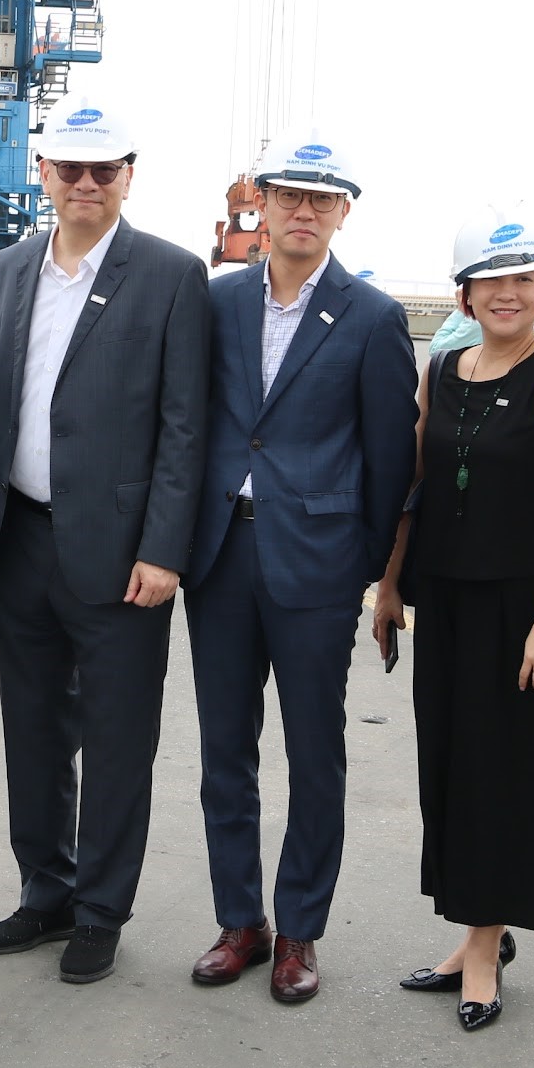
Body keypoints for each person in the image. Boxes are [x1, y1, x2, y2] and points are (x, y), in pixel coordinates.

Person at [0, 98, 210, 985]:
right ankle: (47, 889)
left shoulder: (171, 274)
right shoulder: (14, 264)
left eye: (101, 169)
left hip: (121, 554)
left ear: (127, 176)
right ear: (44, 174)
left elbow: (185, 425)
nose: (84, 183)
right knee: (31, 731)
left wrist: (165, 547)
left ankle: (102, 909)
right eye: (68, 168)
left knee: (117, 738)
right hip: (22, 538)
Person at [182, 133, 414, 1005]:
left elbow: (390, 460)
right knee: (223, 752)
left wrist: (359, 561)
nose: (304, 212)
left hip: (316, 563)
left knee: (315, 754)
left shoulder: (372, 317)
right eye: (289, 197)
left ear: (344, 211)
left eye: (322, 200)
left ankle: (300, 930)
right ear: (263, 205)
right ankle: (240, 920)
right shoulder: (220, 300)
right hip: (221, 556)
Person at [374, 216, 534, 1031]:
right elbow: (421, 484)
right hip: (448, 601)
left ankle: (483, 950)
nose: (507, 294)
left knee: (506, 777)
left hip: (520, 610)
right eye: (489, 281)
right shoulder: (443, 367)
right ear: (464, 293)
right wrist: (392, 586)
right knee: (453, 769)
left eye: (524, 279)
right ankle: (473, 931)